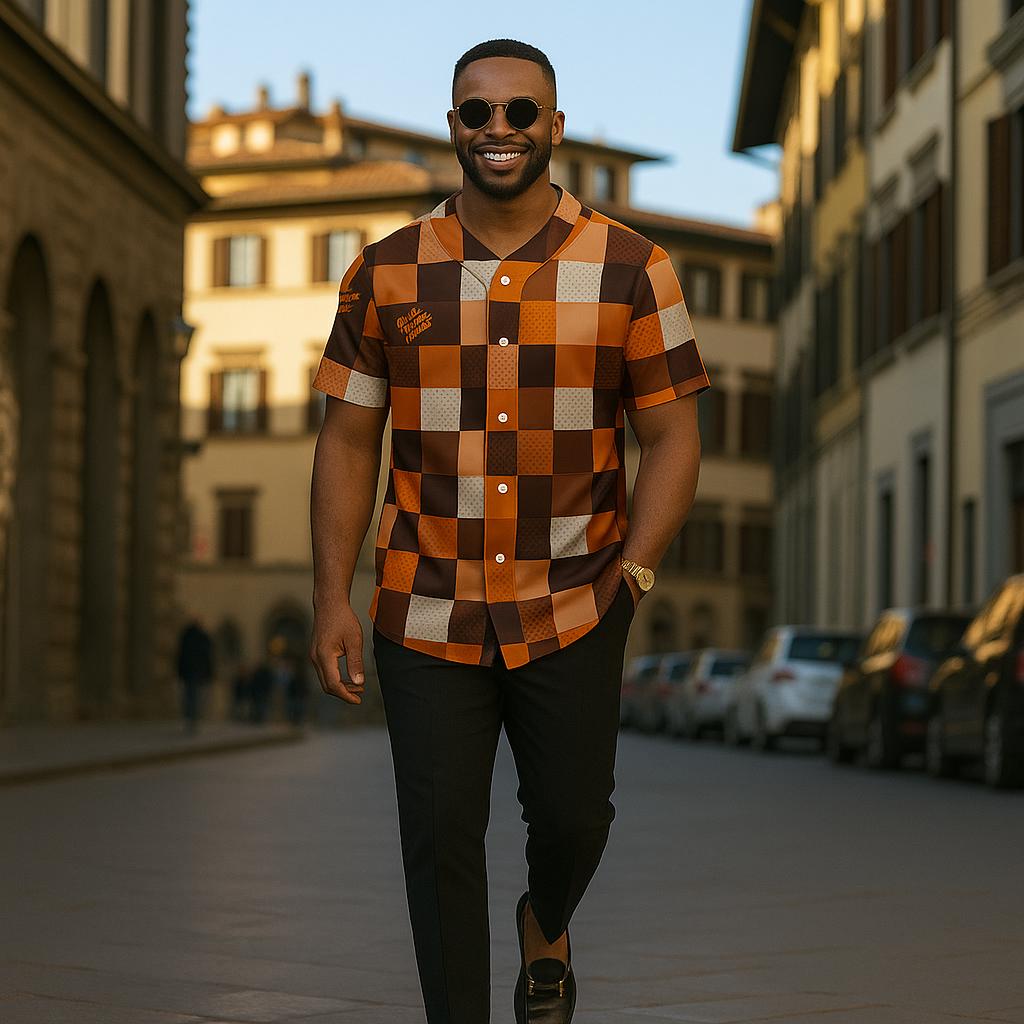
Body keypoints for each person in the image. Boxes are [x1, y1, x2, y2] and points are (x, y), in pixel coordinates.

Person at [308, 38, 710, 1024]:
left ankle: (546, 917)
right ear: (452, 125)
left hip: (575, 601)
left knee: (573, 820)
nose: (499, 129)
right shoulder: (385, 272)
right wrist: (331, 595)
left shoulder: (632, 267)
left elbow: (672, 439)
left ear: (553, 127)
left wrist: (635, 575)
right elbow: (349, 440)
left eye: (520, 112)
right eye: (477, 112)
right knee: (438, 839)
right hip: (423, 605)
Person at [175, 614, 214, 735]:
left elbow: (180, 655)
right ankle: (192, 720)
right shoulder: (202, 637)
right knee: (195, 697)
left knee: (189, 696)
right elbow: (208, 657)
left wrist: (179, 671)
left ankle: (190, 720)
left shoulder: (186, 636)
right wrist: (209, 673)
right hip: (198, 672)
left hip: (189, 672)